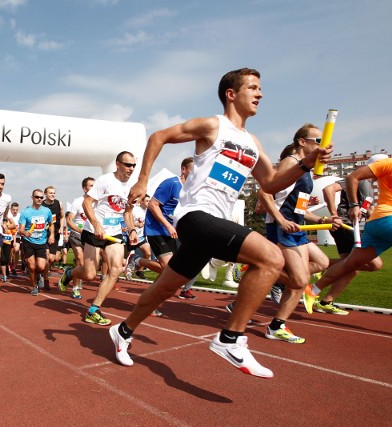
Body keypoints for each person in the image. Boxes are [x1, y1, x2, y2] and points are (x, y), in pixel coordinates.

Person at [108, 68, 332, 378]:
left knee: (163, 290)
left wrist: (307, 163)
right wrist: (143, 178)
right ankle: (231, 338)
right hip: (195, 217)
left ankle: (122, 330)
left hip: (213, 225)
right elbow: (159, 137)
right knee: (271, 257)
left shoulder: (253, 143)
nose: (260, 94)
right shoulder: (212, 126)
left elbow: (271, 183)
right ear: (231, 93)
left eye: (260, 88)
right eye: (253, 88)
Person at [254, 124, 335, 343]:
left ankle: (266, 273)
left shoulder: (305, 170)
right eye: (318, 141)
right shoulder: (290, 162)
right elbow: (264, 192)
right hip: (282, 228)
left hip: (297, 228)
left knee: (321, 262)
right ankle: (276, 326)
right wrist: (281, 219)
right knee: (299, 281)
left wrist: (323, 219)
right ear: (302, 142)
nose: (323, 145)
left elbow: (300, 208)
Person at [59, 151, 137, 325]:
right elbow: (87, 202)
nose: (131, 168)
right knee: (89, 274)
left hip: (114, 233)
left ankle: (93, 310)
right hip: (94, 231)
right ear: (118, 164)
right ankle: (69, 273)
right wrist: (96, 224)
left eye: (134, 165)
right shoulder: (105, 181)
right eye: (127, 164)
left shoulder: (133, 186)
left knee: (116, 269)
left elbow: (128, 212)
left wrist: (132, 230)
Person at [306, 155, 391, 308]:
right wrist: (336, 214)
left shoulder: (372, 186)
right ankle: (317, 265)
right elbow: (329, 189)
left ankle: (316, 290)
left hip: (368, 224)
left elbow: (369, 209)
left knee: (352, 265)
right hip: (345, 225)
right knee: (367, 264)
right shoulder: (363, 179)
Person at [126, 157, 198, 300]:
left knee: (173, 270)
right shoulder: (171, 183)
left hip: (173, 232)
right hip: (157, 228)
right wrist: (167, 225)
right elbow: (153, 205)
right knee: (168, 268)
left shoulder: (192, 189)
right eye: (193, 169)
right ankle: (137, 260)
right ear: (184, 169)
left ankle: (150, 299)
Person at [18, 189, 54, 295]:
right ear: (32, 198)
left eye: (41, 197)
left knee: (41, 267)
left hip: (41, 242)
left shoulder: (47, 211)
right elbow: (20, 229)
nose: (39, 199)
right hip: (28, 241)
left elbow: (51, 224)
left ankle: (39, 276)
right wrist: (25, 232)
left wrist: (51, 235)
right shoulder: (26, 212)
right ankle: (34, 286)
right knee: (32, 266)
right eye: (37, 197)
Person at [65, 177, 95, 299]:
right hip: (77, 235)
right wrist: (80, 230)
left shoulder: (98, 202)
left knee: (92, 266)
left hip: (91, 236)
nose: (93, 188)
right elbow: (69, 221)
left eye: (95, 185)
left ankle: (71, 272)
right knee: (80, 259)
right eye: (91, 186)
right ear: (84, 188)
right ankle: (75, 288)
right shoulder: (78, 202)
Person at [42, 185, 65, 290]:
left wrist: (61, 227)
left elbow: (63, 216)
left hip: (56, 233)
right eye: (50, 193)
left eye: (54, 193)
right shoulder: (41, 205)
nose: (53, 195)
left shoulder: (59, 203)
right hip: (43, 234)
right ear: (45, 194)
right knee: (46, 257)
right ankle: (45, 279)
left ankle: (43, 271)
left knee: (53, 258)